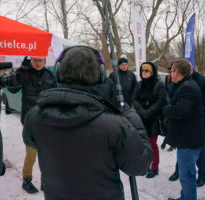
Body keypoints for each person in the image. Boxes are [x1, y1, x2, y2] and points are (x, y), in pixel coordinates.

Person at [22, 46, 153, 200]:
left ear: (59, 71)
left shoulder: (34, 117)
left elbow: (30, 140)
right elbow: (140, 166)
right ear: (100, 75)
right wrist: (135, 123)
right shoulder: (115, 126)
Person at [7, 56, 56, 194]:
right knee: (32, 152)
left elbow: (55, 94)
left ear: (45, 62)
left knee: (46, 153)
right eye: (35, 60)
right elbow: (12, 89)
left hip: (47, 119)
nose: (38, 63)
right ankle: (26, 180)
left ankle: (46, 180)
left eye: (41, 60)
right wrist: (20, 71)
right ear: (31, 61)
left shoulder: (50, 74)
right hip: (30, 120)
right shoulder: (24, 73)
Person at [163, 59, 205, 200]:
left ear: (176, 72)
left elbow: (180, 111)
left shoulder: (187, 87)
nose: (170, 74)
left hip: (189, 140)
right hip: (189, 138)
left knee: (187, 176)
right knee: (186, 175)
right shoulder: (186, 84)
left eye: (172, 71)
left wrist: (167, 109)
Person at [168, 67, 205, 185]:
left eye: (175, 71)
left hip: (200, 123)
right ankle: (179, 171)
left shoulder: (204, 81)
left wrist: (189, 113)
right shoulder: (178, 81)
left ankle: (203, 175)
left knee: (200, 152)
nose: (173, 73)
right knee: (183, 149)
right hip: (185, 125)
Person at [132, 61, 166, 178]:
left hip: (153, 119)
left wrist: (149, 112)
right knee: (142, 144)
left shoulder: (158, 84)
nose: (144, 73)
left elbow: (161, 101)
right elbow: (134, 98)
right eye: (142, 71)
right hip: (140, 118)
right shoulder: (139, 84)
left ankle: (154, 167)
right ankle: (145, 165)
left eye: (147, 71)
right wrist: (141, 110)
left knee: (152, 145)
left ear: (152, 72)